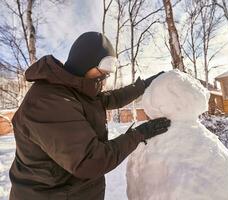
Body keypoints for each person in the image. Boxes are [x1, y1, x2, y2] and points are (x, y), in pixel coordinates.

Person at [9, 32, 171, 200]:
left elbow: (109, 99)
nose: (106, 76)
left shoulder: (74, 87)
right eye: (104, 69)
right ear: (85, 62)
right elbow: (90, 161)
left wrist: (142, 86)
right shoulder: (49, 102)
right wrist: (138, 134)